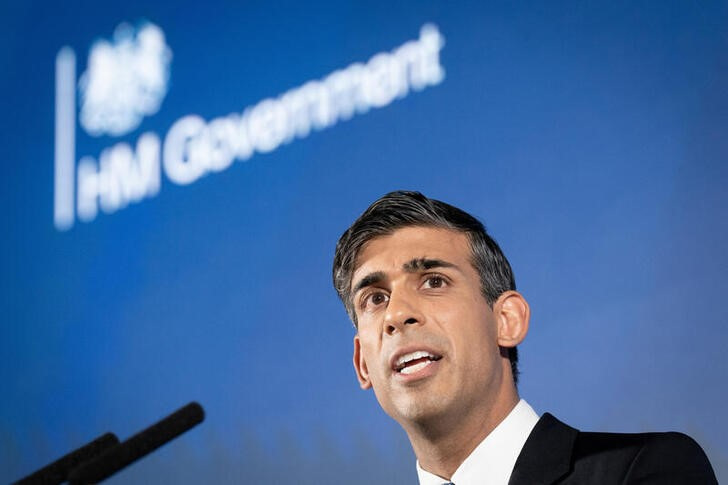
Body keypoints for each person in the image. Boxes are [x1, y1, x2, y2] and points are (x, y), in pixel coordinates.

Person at [332, 191, 717, 484]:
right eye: (375, 298)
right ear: (362, 363)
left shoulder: (642, 470)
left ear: (507, 320)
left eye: (434, 281)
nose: (397, 314)